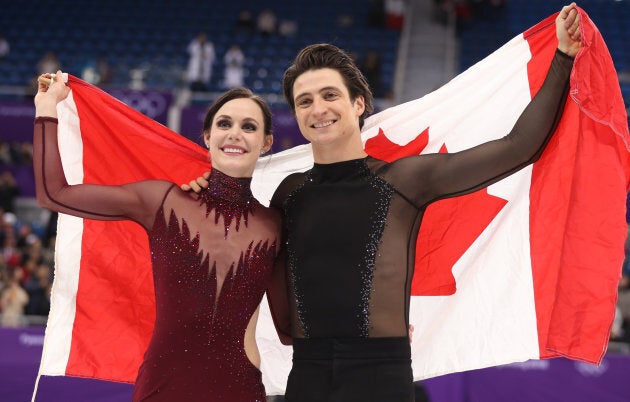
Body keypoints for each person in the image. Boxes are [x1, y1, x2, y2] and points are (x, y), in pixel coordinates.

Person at [186, 4, 582, 400]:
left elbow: (518, 148)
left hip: (381, 378)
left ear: (358, 104)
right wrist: (204, 186)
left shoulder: (403, 179)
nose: (318, 109)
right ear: (296, 115)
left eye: (329, 95)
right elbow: (261, 272)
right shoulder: (289, 193)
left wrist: (562, 57)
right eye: (304, 101)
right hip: (307, 376)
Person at [33, 78, 282, 401]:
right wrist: (46, 107)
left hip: (239, 387)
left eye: (249, 127)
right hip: (163, 384)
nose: (235, 132)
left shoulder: (276, 224)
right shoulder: (162, 201)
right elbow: (54, 194)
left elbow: (287, 325)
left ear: (266, 142)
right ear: (208, 137)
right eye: (224, 123)